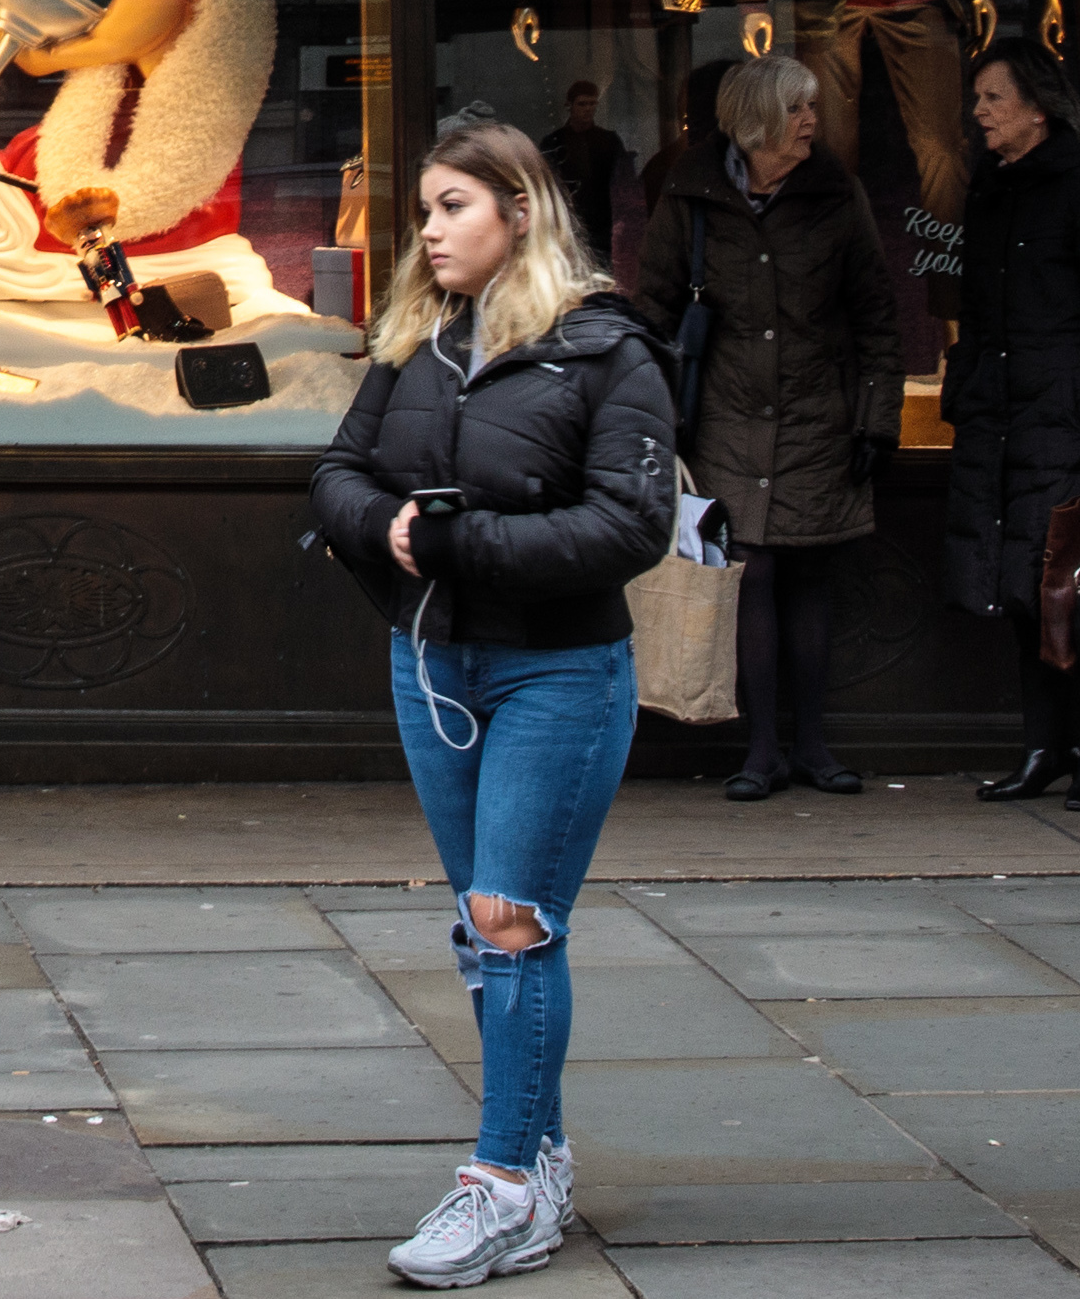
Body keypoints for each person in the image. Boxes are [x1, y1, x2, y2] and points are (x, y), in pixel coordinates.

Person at [310, 118, 676, 1289]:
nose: (427, 227)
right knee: (487, 931)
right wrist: (392, 527)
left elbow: (632, 526)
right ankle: (543, 1155)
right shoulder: (414, 339)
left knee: (510, 915)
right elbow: (338, 476)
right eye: (425, 207)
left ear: (521, 210)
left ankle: (501, 1184)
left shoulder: (609, 351)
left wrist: (467, 540)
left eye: (452, 204)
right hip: (431, 669)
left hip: (557, 674)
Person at [636, 49, 900, 801]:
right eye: (796, 108)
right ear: (753, 121)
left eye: (811, 106)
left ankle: (813, 745)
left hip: (820, 416)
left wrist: (876, 422)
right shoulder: (689, 192)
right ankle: (760, 750)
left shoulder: (835, 193)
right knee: (750, 578)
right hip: (721, 418)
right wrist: (652, 421)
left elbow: (877, 316)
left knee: (809, 575)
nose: (811, 121)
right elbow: (653, 311)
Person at [941, 41, 1080, 812]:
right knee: (1023, 591)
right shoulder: (989, 196)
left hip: (1068, 429)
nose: (979, 114)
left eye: (993, 99)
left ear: (1037, 108)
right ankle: (1044, 746)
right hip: (1001, 425)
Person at [539, 81, 632, 272]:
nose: (588, 109)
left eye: (592, 104)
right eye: (582, 104)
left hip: (603, 224)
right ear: (570, 106)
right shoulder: (554, 143)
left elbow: (624, 183)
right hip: (566, 224)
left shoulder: (609, 141)